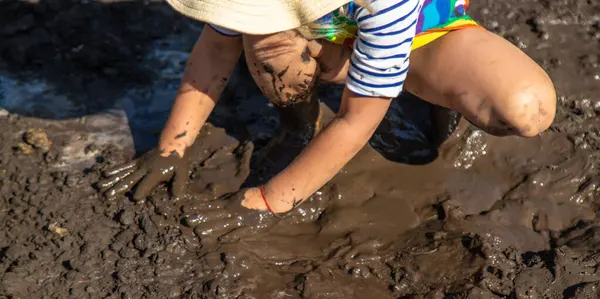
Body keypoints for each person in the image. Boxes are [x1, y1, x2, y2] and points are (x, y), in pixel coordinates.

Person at [97, 0, 556, 237]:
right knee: (268, 47)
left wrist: (262, 203)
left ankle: (425, 92)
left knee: (525, 107)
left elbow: (357, 121)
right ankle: (298, 121)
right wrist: (170, 149)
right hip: (329, 31)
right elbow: (215, 49)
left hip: (421, 28)